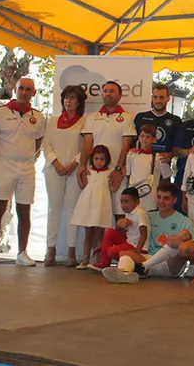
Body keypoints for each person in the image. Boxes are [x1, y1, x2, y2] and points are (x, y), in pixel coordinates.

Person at [0, 78, 45, 267]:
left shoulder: (38, 117)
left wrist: (28, 157)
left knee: (24, 211)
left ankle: (22, 252)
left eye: (28, 89)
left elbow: (38, 141)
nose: (24, 92)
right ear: (15, 90)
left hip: (26, 170)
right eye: (21, 88)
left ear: (34, 93)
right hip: (3, 167)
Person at [102, 183, 194, 284]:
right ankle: (124, 274)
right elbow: (129, 228)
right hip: (147, 258)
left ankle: (139, 268)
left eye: (166, 198)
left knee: (177, 242)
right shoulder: (147, 215)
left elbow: (192, 247)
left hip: (170, 264)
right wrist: (120, 223)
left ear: (174, 200)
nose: (161, 201)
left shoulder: (185, 221)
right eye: (159, 197)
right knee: (124, 253)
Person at [42, 85, 86, 266]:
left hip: (74, 170)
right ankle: (50, 250)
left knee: (72, 211)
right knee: (53, 209)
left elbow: (85, 147)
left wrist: (73, 164)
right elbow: (47, 146)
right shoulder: (52, 121)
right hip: (54, 170)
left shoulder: (84, 122)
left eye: (73, 98)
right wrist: (57, 164)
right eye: (66, 98)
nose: (69, 101)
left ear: (79, 102)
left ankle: (71, 252)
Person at [79, 81, 135, 218]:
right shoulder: (92, 118)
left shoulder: (127, 118)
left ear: (119, 96)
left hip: (117, 174)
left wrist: (117, 169)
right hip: (96, 174)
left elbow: (125, 146)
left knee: (119, 214)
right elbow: (87, 144)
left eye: (111, 91)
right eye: (105, 91)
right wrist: (81, 166)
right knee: (95, 215)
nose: (107, 94)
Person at [71, 145, 114, 270]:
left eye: (102, 159)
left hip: (101, 206)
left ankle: (99, 260)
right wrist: (80, 174)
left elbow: (111, 189)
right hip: (88, 206)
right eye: (96, 159)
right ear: (92, 159)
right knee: (88, 233)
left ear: (107, 160)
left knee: (100, 234)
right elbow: (83, 186)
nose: (99, 162)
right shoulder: (88, 172)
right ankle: (85, 260)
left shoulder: (109, 174)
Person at [133, 83, 181, 178]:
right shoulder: (140, 117)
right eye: (155, 97)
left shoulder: (176, 120)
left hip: (163, 169)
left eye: (161, 97)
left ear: (168, 98)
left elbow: (178, 146)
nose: (158, 100)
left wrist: (171, 154)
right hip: (140, 168)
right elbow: (133, 142)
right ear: (152, 98)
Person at [93, 187, 149, 269]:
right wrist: (119, 225)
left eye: (126, 201)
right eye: (121, 202)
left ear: (137, 202)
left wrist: (137, 252)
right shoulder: (129, 213)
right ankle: (104, 262)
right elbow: (123, 232)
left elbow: (144, 234)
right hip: (129, 242)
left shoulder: (140, 213)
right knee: (109, 232)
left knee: (111, 251)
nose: (123, 205)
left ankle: (130, 262)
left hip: (137, 247)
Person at [126, 124, 170, 212]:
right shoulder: (131, 155)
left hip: (150, 198)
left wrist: (155, 188)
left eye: (148, 137)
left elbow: (166, 177)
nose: (144, 139)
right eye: (142, 136)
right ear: (138, 138)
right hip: (133, 197)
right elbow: (128, 175)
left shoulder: (159, 158)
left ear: (154, 140)